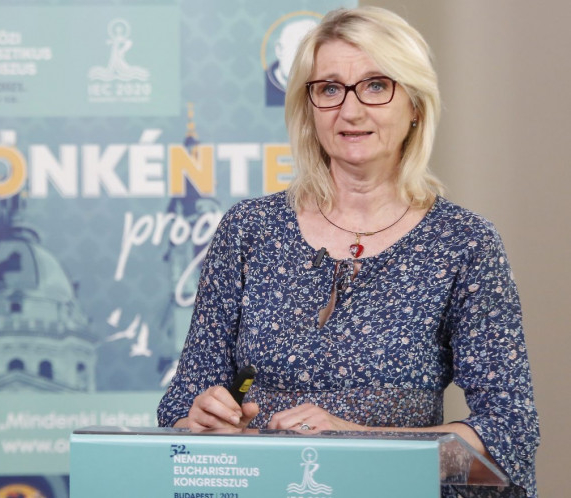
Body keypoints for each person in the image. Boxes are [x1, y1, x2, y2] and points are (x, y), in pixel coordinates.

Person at [157, 6, 539, 497]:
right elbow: (180, 408)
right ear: (309, 106)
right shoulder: (248, 229)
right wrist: (201, 419)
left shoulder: (464, 242)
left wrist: (357, 441)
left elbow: (509, 433)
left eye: (376, 86)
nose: (351, 111)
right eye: (330, 89)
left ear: (415, 105)